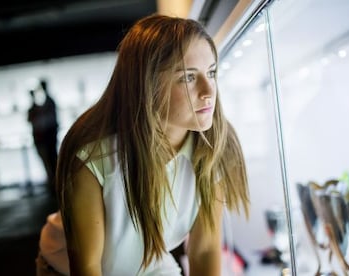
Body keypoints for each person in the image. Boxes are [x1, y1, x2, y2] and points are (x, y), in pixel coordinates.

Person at [36, 14, 250, 275]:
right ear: (148, 83)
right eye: (188, 77)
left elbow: (204, 250)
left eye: (211, 72)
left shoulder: (213, 147)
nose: (209, 91)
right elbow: (89, 267)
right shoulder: (93, 156)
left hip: (149, 261)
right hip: (65, 269)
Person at [27, 79, 59, 197]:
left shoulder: (47, 104)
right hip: (44, 138)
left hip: (46, 138)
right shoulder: (44, 105)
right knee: (50, 162)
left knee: (50, 162)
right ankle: (54, 185)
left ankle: (54, 185)